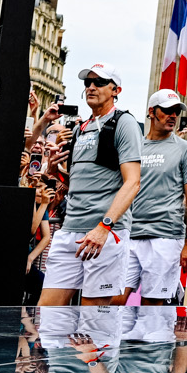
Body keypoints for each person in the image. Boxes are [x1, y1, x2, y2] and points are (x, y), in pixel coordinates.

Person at [40, 66, 143, 308]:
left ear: (115, 90)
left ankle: (101, 346)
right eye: (87, 83)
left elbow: (133, 181)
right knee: (48, 312)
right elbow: (80, 183)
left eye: (99, 82)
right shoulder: (79, 129)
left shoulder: (124, 122)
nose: (91, 87)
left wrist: (104, 226)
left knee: (94, 317)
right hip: (70, 231)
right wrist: (56, 173)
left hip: (104, 231)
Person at [125, 88, 187, 306]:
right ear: (151, 112)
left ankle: (151, 342)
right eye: (167, 110)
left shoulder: (186, 149)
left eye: (176, 111)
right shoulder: (133, 145)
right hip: (130, 234)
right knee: (112, 300)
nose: (173, 116)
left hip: (165, 237)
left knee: (153, 306)